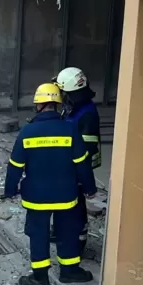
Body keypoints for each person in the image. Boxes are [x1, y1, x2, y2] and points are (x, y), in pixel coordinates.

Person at [3, 83, 97, 285]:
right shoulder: (70, 128)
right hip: (66, 193)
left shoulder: (28, 131)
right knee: (67, 232)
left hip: (36, 196)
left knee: (38, 234)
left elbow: (15, 165)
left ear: (39, 105)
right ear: (57, 104)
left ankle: (40, 278)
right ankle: (69, 271)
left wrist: (10, 190)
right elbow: (82, 162)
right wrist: (89, 188)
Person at [53, 67, 102, 256]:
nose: (62, 96)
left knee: (76, 204)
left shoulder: (86, 113)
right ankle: (61, 231)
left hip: (79, 166)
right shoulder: (75, 106)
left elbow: (85, 149)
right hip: (71, 163)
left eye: (64, 92)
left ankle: (79, 240)